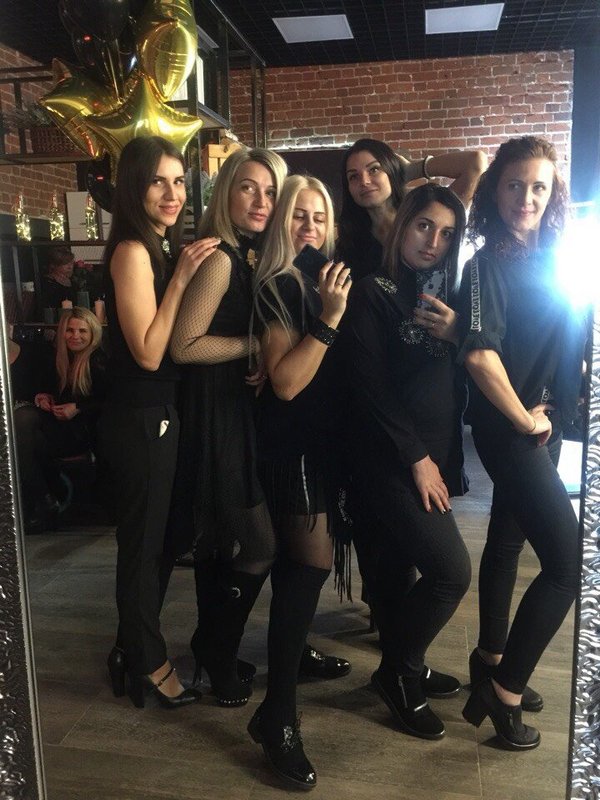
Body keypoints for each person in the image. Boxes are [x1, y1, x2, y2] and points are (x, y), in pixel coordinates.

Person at [458, 136, 585, 750]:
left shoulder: (556, 257)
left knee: (507, 541)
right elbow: (480, 357)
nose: (526, 198)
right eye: (514, 184)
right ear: (495, 190)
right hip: (512, 428)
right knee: (566, 565)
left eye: (539, 186)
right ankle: (503, 694)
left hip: (544, 421)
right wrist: (524, 422)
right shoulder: (486, 265)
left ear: (553, 193)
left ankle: (491, 658)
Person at [342, 183, 471, 741]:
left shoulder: (447, 296)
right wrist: (417, 458)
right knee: (450, 572)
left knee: (399, 573)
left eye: (447, 234)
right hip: (389, 458)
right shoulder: (374, 291)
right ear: (403, 225)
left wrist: (459, 332)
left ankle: (403, 665)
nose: (433, 241)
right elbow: (369, 386)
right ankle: (399, 671)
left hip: (431, 452)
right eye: (424, 226)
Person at [98, 135, 219, 709]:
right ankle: (148, 662)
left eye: (178, 181)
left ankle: (129, 648)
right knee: (143, 547)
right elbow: (148, 353)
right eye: (157, 182)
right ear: (133, 188)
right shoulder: (132, 251)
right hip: (139, 416)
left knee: (160, 541)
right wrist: (182, 279)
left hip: (157, 414)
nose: (173, 193)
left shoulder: (155, 245)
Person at [169, 147, 287, 708]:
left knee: (220, 544)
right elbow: (184, 345)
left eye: (270, 191)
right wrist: (253, 345)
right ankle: (215, 649)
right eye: (248, 188)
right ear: (226, 193)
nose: (261, 201)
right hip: (214, 416)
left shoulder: (244, 255)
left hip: (232, 413)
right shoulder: (220, 259)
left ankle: (213, 647)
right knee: (259, 543)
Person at [246, 175, 352, 789]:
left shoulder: (319, 281)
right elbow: (285, 383)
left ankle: (288, 670)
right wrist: (331, 319)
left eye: (319, 217)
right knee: (310, 564)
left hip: (322, 442)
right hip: (293, 445)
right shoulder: (281, 284)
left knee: (298, 568)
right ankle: (277, 715)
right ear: (280, 222)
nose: (309, 227)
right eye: (297, 216)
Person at [12, 306, 107, 534]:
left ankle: (46, 500)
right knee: (22, 432)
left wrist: (78, 408)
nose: (75, 336)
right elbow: (51, 391)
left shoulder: (98, 361)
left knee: (23, 426)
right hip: (60, 426)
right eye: (70, 330)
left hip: (84, 431)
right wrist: (43, 397)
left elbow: (108, 402)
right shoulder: (60, 359)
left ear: (92, 334)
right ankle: (45, 499)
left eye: (82, 331)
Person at [336, 138, 487, 281]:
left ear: (390, 170)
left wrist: (409, 170)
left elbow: (475, 163)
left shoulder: (428, 213)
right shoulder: (348, 244)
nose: (364, 181)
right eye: (353, 176)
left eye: (374, 169)